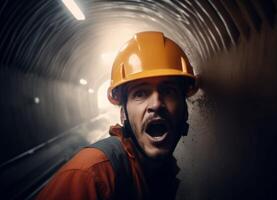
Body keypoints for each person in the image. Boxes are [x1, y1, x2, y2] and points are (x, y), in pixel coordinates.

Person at [36, 31, 198, 200]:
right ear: (123, 115)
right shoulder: (89, 175)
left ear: (185, 111)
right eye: (140, 94)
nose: (156, 104)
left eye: (168, 91)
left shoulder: (163, 172)